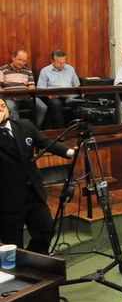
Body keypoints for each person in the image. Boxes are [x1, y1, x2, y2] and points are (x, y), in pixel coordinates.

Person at [0, 97, 74, 253]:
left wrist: (70, 152)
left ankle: (34, 261)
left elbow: (46, 142)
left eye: (2, 106)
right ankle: (18, 273)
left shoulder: (24, 125)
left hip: (33, 193)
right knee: (12, 245)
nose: (1, 109)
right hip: (7, 199)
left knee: (46, 231)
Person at [0, 49, 47, 127]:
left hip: (26, 98)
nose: (21, 63)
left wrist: (30, 95)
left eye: (24, 61)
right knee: (10, 107)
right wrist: (6, 96)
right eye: (19, 59)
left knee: (42, 107)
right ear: (13, 58)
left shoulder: (28, 71)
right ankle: (19, 131)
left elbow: (31, 86)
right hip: (10, 98)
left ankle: (33, 129)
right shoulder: (2, 70)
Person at [37, 49, 81, 129]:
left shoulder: (70, 69)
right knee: (56, 103)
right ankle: (61, 132)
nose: (62, 65)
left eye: (63, 62)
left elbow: (76, 85)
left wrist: (80, 93)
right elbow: (40, 89)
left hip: (69, 96)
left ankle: (79, 130)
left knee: (82, 102)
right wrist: (49, 95)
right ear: (52, 61)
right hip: (53, 97)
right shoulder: (45, 71)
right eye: (59, 63)